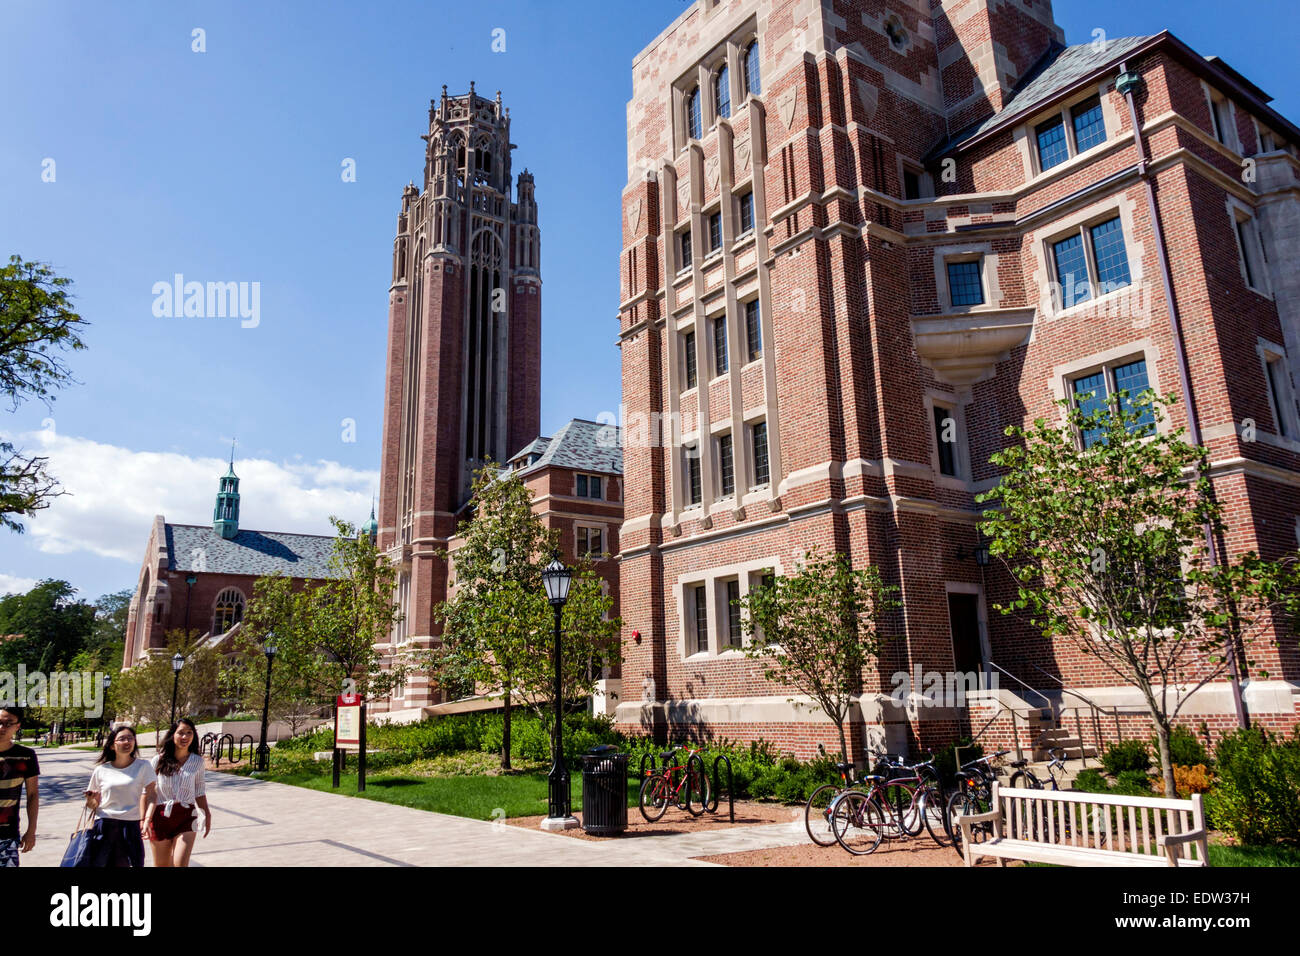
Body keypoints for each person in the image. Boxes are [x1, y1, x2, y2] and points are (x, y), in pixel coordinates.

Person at [83, 724, 156, 867]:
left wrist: (147, 820)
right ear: (112, 745)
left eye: (130, 738)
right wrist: (92, 800)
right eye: (122, 739)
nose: (127, 742)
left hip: (130, 826)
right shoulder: (101, 770)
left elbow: (152, 795)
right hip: (104, 825)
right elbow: (91, 806)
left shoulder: (143, 766)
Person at [149, 718, 210, 867]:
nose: (185, 737)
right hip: (160, 815)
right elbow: (149, 792)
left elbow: (199, 791)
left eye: (189, 733)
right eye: (181, 733)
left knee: (180, 864)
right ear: (172, 735)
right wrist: (144, 819)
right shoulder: (158, 760)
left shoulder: (197, 762)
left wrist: (206, 814)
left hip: (187, 816)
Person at [0, 706, 39, 867]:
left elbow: (32, 795)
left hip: (7, 834)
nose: (2, 727)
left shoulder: (26, 756)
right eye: (0, 722)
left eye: (8, 723)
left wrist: (31, 831)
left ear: (17, 726)